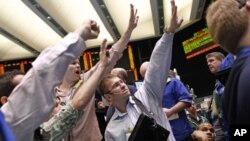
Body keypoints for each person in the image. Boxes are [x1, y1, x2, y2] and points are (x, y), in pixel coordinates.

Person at [0, 19, 100, 141]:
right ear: (5, 101)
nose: (38, 93)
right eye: (24, 91)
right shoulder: (7, 126)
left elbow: (65, 118)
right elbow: (42, 75)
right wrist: (80, 34)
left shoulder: (37, 132)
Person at [51, 4, 139, 141]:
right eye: (73, 63)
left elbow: (113, 55)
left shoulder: (86, 81)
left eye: (78, 63)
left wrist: (129, 31)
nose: (78, 66)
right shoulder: (51, 93)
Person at [99, 0, 183, 140]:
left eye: (121, 82)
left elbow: (156, 67)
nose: (122, 85)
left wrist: (168, 33)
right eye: (116, 85)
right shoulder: (111, 131)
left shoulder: (146, 96)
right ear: (108, 97)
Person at [206, 52, 226, 141]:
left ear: (222, 61)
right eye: (208, 62)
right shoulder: (218, 81)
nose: (209, 64)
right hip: (221, 126)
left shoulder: (229, 78)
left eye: (212, 60)